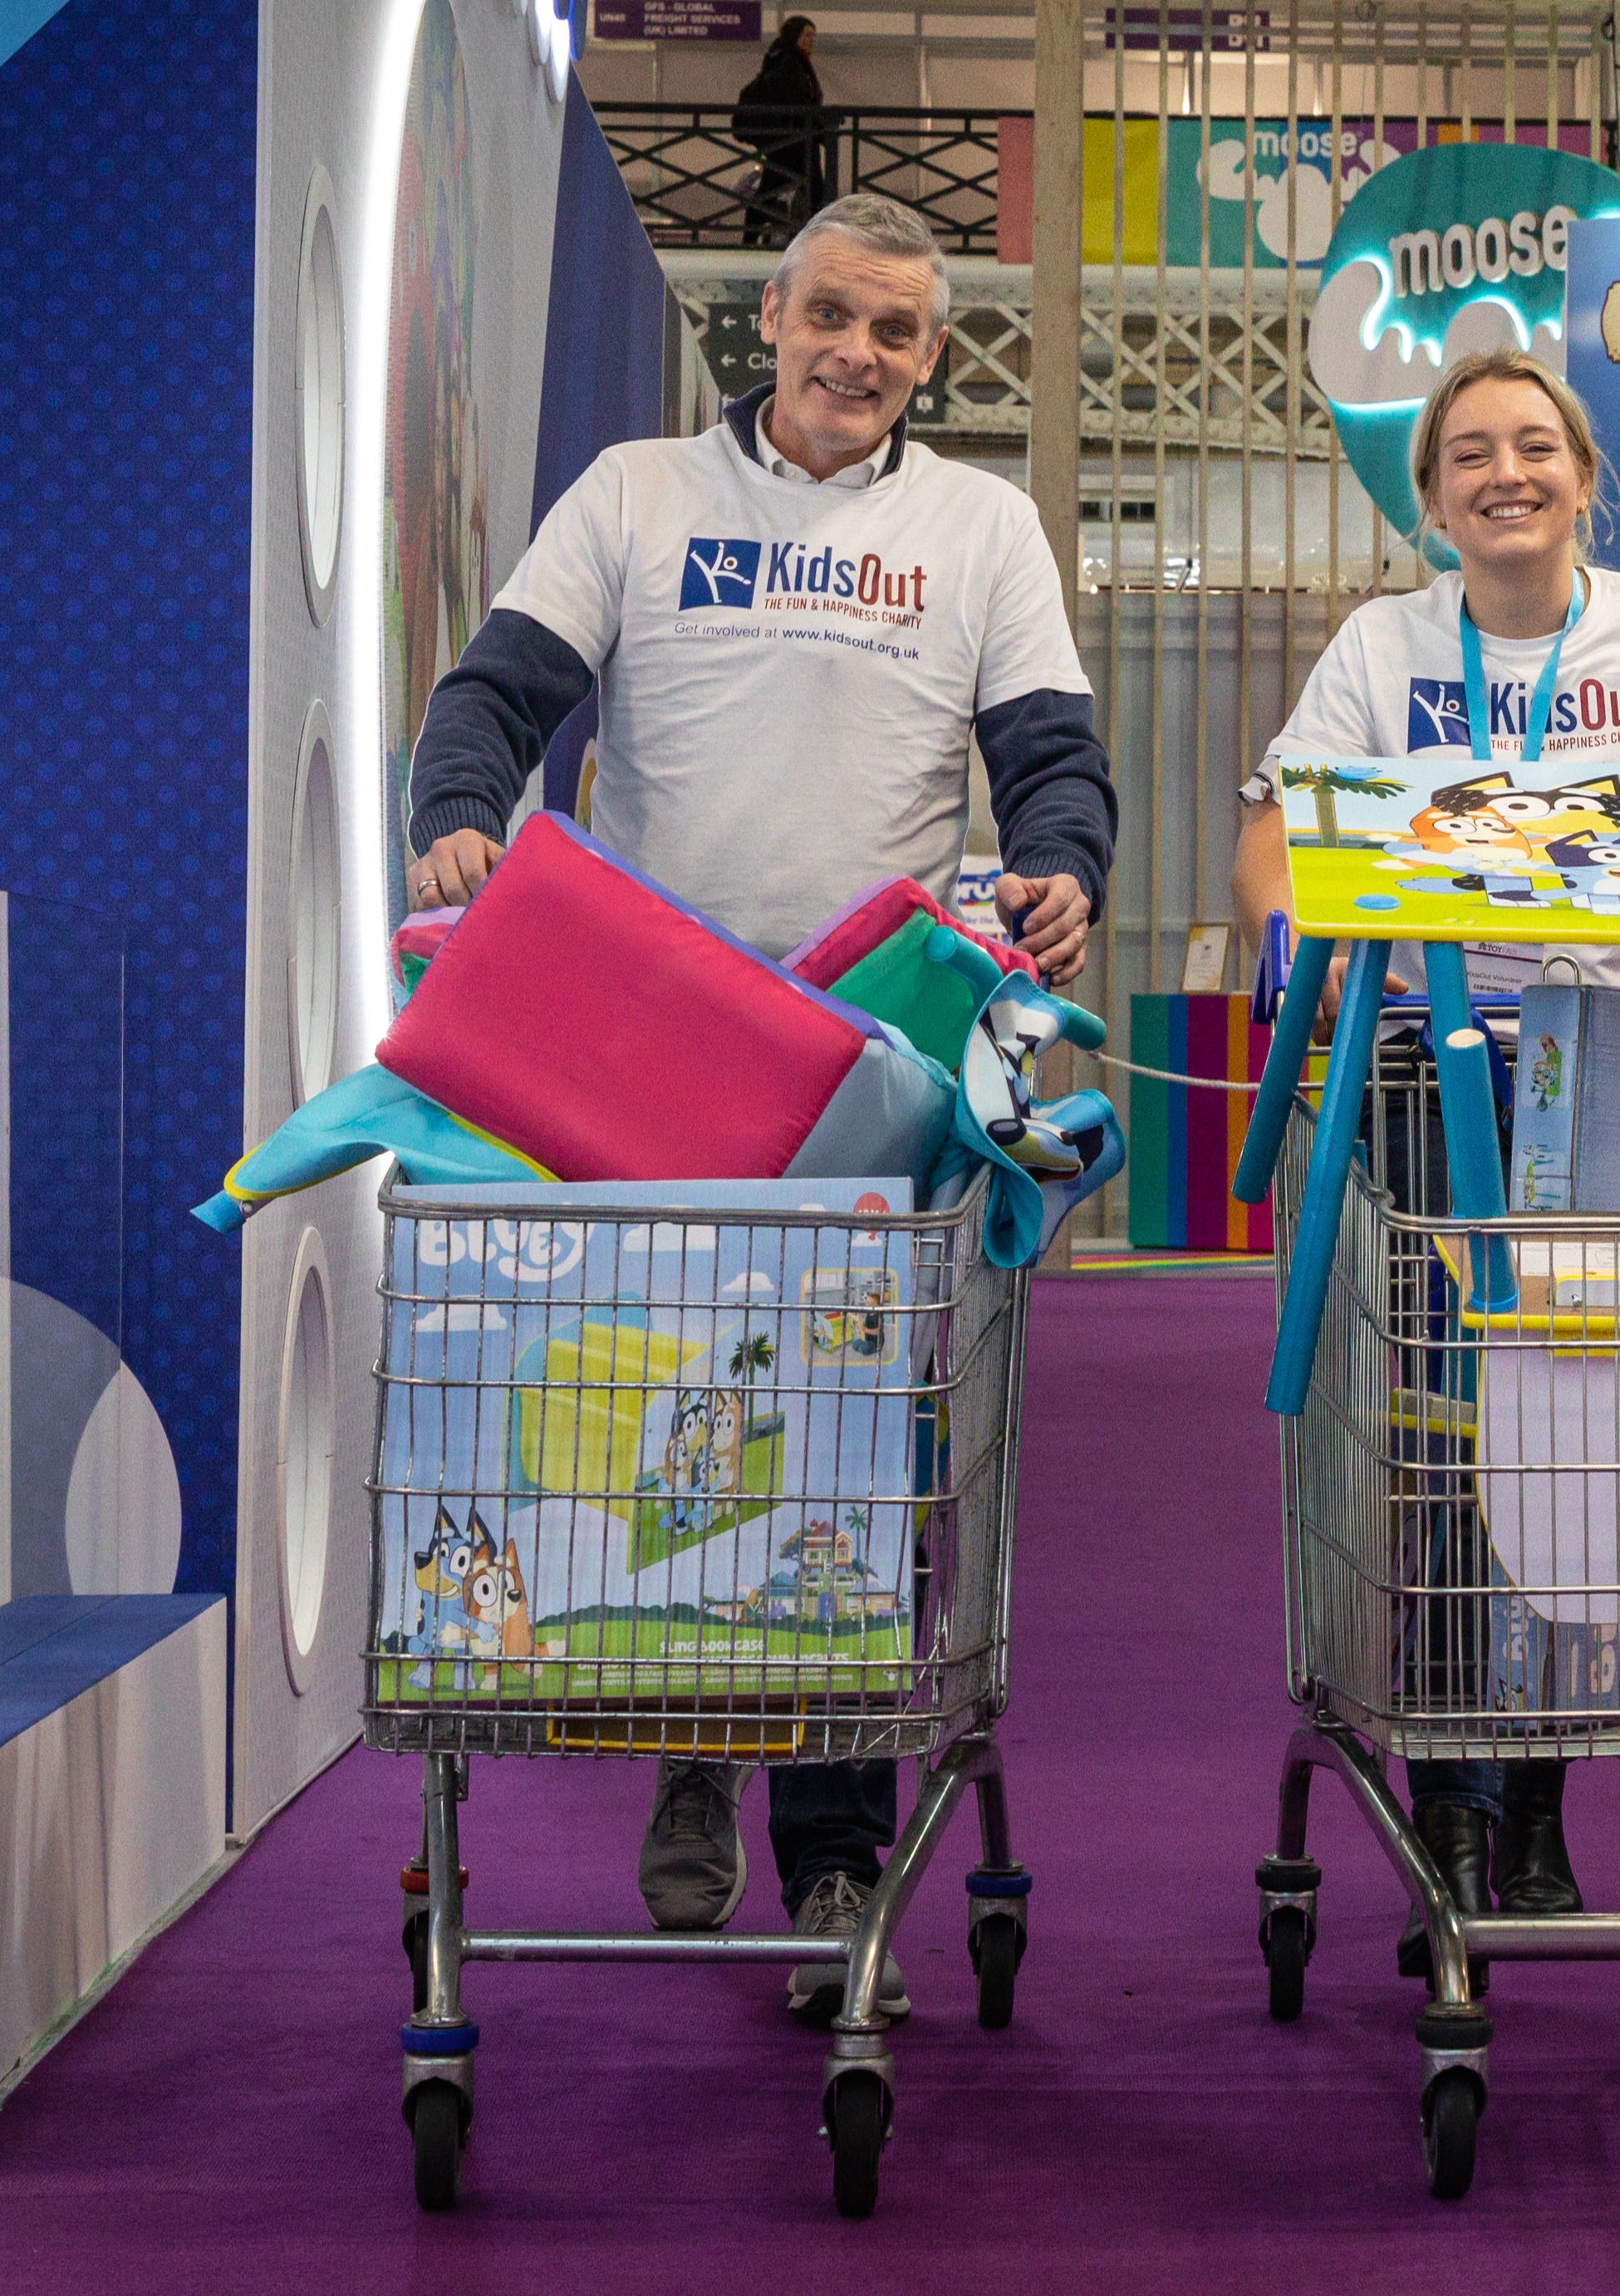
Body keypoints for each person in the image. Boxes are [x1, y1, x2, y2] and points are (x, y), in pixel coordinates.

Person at [403, 193, 1115, 2022]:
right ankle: (690, 1743)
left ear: (928, 357)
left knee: (846, 1433)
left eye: (895, 331)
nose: (857, 355)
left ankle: (833, 1843)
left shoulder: (982, 526)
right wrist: (459, 815)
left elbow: (1049, 753)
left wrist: (1060, 867)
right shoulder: (637, 496)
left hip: (864, 1058)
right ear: (770, 322)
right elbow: (495, 694)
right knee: (647, 1410)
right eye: (830, 318)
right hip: (640, 1045)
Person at [1228, 348, 1620, 1966]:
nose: (1506, 473)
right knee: (1441, 1440)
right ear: (1429, 496)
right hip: (1431, 1072)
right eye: (1471, 454)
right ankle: (1441, 1778)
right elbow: (1279, 824)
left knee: (1585, 1438)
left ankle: (1540, 1790)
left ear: (1583, 475)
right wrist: (1292, 915)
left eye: (1536, 446)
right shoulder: (1381, 646)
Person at [733, 17, 827, 252]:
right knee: (814, 193)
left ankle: (749, 242)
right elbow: (798, 102)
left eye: (813, 36)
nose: (811, 41)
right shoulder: (790, 63)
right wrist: (821, 129)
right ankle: (819, 246)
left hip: (791, 143)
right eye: (806, 35)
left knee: (772, 192)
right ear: (794, 36)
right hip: (793, 144)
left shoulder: (786, 60)